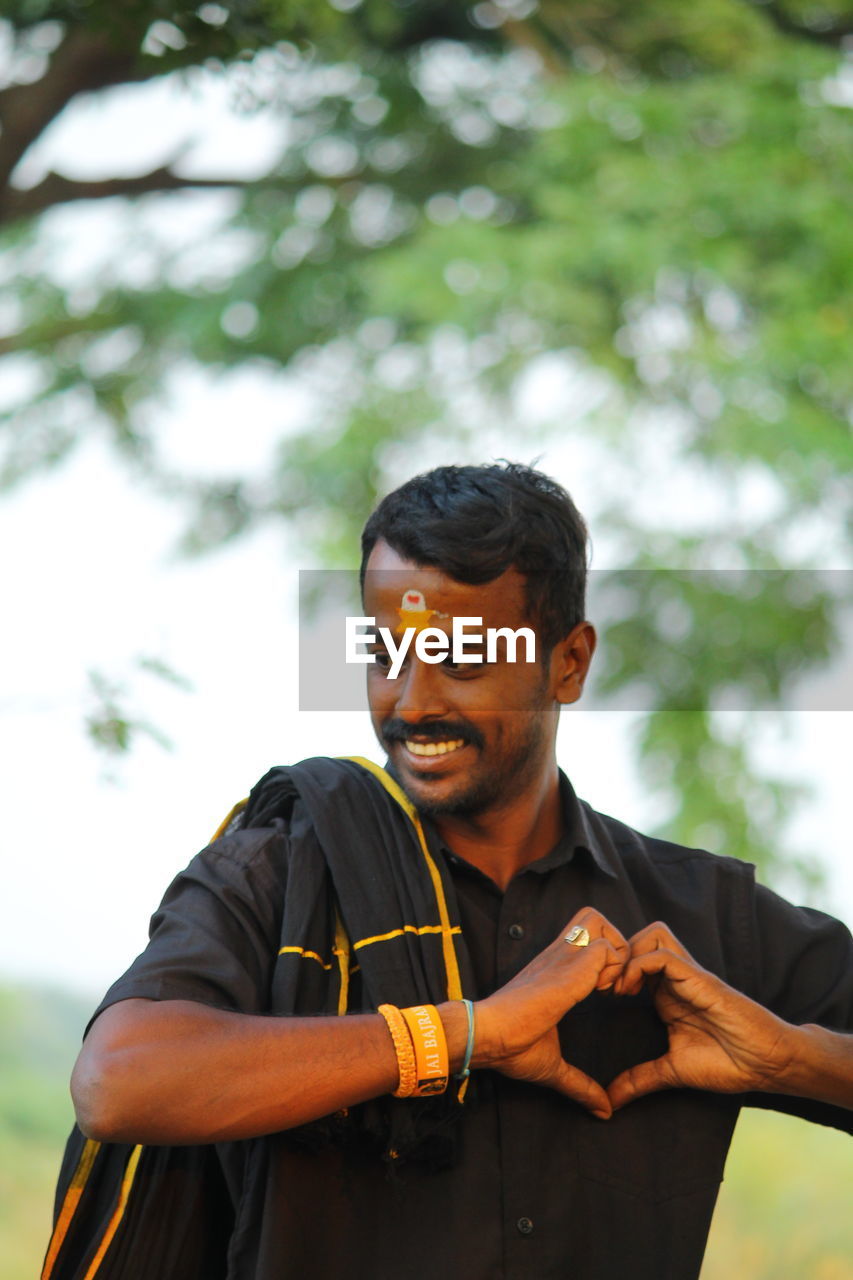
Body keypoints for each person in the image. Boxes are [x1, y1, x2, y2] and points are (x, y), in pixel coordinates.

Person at [49, 463, 851, 1280]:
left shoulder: (698, 917)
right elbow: (119, 1081)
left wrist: (791, 1059)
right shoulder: (274, 876)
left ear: (568, 662)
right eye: (387, 654)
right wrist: (468, 1032)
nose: (411, 702)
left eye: (462, 658)